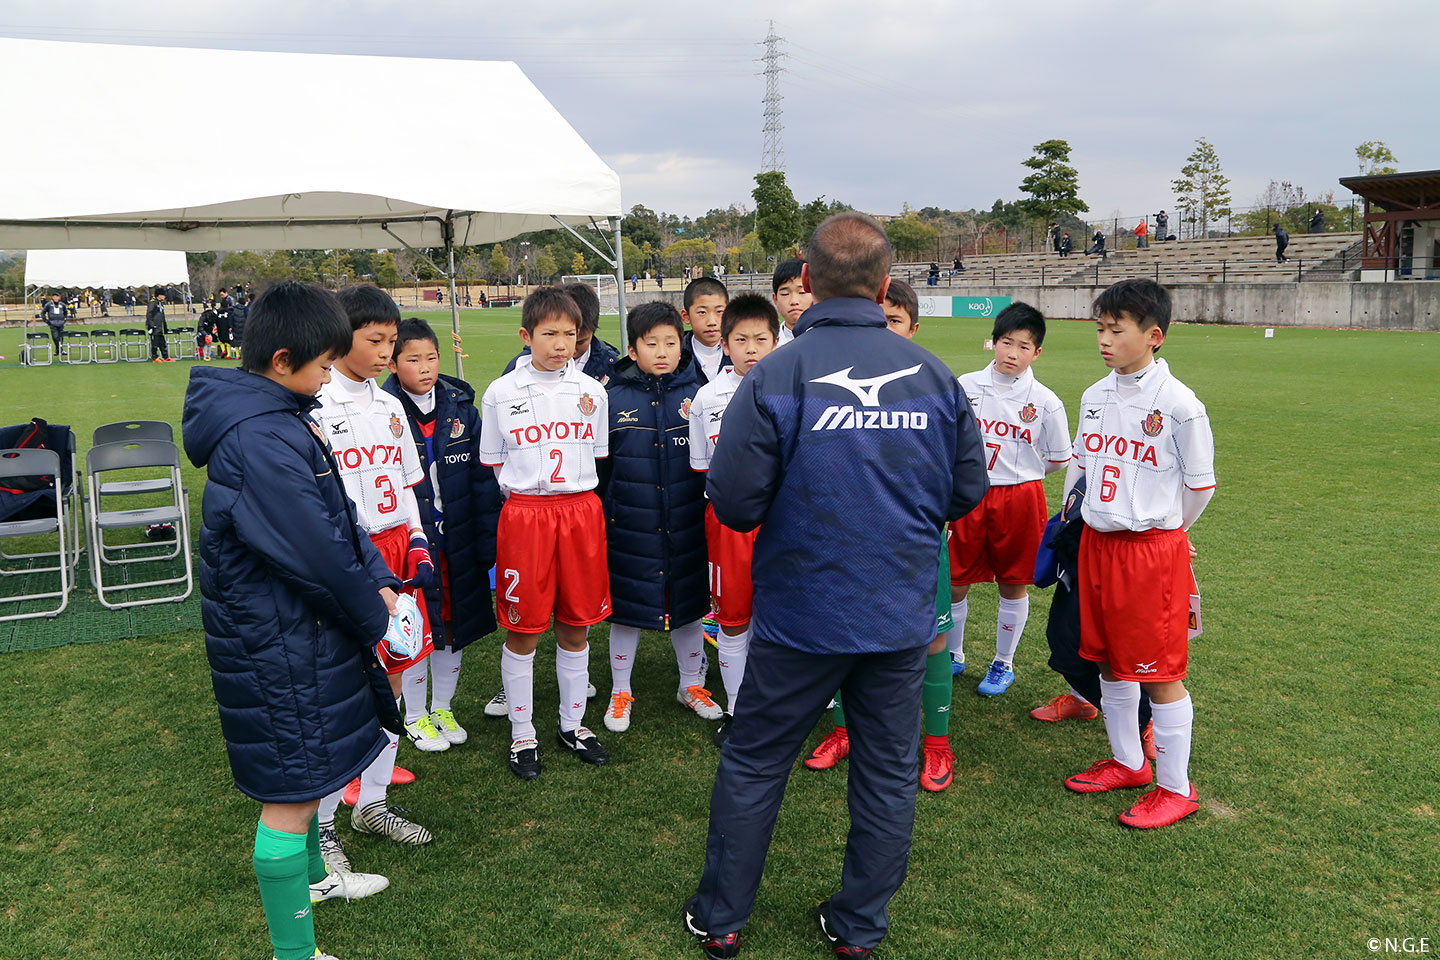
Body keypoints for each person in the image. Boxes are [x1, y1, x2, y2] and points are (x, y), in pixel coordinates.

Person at [682, 212, 988, 959]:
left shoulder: (779, 374)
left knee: (756, 760)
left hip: (805, 615)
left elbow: (732, 500)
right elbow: (965, 487)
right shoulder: (933, 376)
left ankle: (724, 915)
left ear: (807, 283)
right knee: (887, 773)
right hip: (895, 613)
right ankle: (857, 928)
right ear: (884, 286)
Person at [181, 281, 397, 960]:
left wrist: (381, 578)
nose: (331, 377)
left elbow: (337, 516)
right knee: (293, 792)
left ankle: (314, 881)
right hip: (276, 642)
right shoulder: (259, 438)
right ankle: (293, 954)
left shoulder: (284, 415)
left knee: (310, 770)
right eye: (326, 365)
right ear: (281, 360)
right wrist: (373, 613)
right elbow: (314, 553)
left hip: (297, 632)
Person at [1061, 278, 1215, 829]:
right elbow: (1082, 468)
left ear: (1154, 336)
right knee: (1107, 659)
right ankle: (1129, 762)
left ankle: (1177, 787)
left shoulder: (1179, 404)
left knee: (1160, 672)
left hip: (1150, 552)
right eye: (1099, 329)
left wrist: (1170, 532)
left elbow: (1200, 486)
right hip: (1097, 546)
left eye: (1115, 330)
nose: (1104, 339)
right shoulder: (1094, 395)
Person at [803, 279, 963, 793]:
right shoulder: (829, 385)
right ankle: (844, 730)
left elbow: (962, 477)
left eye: (894, 322)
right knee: (845, 636)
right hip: (843, 543)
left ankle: (936, 744)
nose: (884, 332)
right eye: (878, 320)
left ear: (913, 330)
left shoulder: (936, 388)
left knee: (934, 637)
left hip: (914, 543)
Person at [310, 284, 438, 848]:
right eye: (377, 340)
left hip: (395, 555)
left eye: (393, 340)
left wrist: (417, 540)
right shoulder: (314, 408)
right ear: (341, 340)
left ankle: (375, 804)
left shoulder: (390, 406)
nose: (389, 351)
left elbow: (409, 484)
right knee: (344, 691)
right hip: (346, 558)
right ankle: (323, 826)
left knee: (397, 676)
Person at [479, 286, 613, 780]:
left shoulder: (592, 392)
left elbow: (596, 455)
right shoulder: (501, 392)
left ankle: (572, 725)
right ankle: (522, 734)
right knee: (524, 628)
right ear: (525, 336)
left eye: (570, 334)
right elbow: (493, 462)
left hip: (580, 512)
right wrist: (530, 503)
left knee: (576, 625)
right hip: (527, 514)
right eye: (550, 333)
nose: (561, 343)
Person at [597, 301, 716, 734]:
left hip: (687, 523)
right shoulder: (611, 399)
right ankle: (620, 691)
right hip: (631, 528)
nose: (663, 351)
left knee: (689, 608)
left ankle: (691, 685)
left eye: (671, 342)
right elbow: (600, 472)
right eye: (652, 344)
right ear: (632, 350)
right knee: (627, 612)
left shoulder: (699, 394)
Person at [382, 318, 503, 747]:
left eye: (431, 357)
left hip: (459, 541)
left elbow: (483, 483)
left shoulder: (461, 408)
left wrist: (486, 543)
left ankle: (443, 709)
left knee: (454, 625)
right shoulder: (382, 410)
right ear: (394, 365)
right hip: (412, 545)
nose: (425, 367)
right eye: (413, 359)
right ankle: (414, 715)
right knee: (417, 628)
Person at [945, 302, 1070, 694]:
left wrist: (1019, 476)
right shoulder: (964, 386)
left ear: (1038, 352)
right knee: (953, 581)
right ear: (992, 343)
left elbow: (1058, 458)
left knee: (1013, 583)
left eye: (1023, 346)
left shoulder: (1046, 401)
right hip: (969, 495)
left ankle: (1003, 662)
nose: (1012, 354)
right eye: (1005, 343)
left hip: (1020, 498)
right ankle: (954, 652)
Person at [688, 293, 779, 747]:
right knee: (733, 618)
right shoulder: (706, 397)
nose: (750, 348)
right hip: (727, 522)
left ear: (776, 341)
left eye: (760, 339)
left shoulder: (791, 390)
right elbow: (702, 465)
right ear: (724, 345)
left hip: (783, 520)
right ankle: (739, 709)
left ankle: (782, 707)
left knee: (785, 614)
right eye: (740, 339)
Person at [1027, 476, 1156, 762]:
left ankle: (1149, 718)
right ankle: (1083, 700)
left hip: (1129, 548)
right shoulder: (1096, 431)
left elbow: (1184, 484)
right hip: (1082, 532)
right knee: (1064, 642)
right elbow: (1079, 458)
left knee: (1122, 650)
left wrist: (1174, 533)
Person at [501, 281, 619, 385]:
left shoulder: (611, 366)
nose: (565, 347)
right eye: (551, 334)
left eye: (579, 341)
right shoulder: (517, 368)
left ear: (593, 333)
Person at [681, 277, 730, 382]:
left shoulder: (739, 352)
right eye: (702, 312)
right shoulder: (676, 356)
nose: (712, 322)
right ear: (686, 316)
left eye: (719, 311)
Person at [770, 257, 813, 346]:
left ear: (815, 295)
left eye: (802, 292)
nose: (794, 301)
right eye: (785, 294)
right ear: (775, 299)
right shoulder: (769, 347)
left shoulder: (829, 341)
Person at [146, 291, 172, 362]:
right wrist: (151, 325)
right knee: (155, 342)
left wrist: (165, 327)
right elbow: (149, 314)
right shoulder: (152, 303)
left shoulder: (160, 303)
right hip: (154, 326)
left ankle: (165, 356)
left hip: (160, 326)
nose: (164, 297)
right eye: (163, 295)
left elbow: (162, 316)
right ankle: (155, 357)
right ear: (159, 295)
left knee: (162, 342)